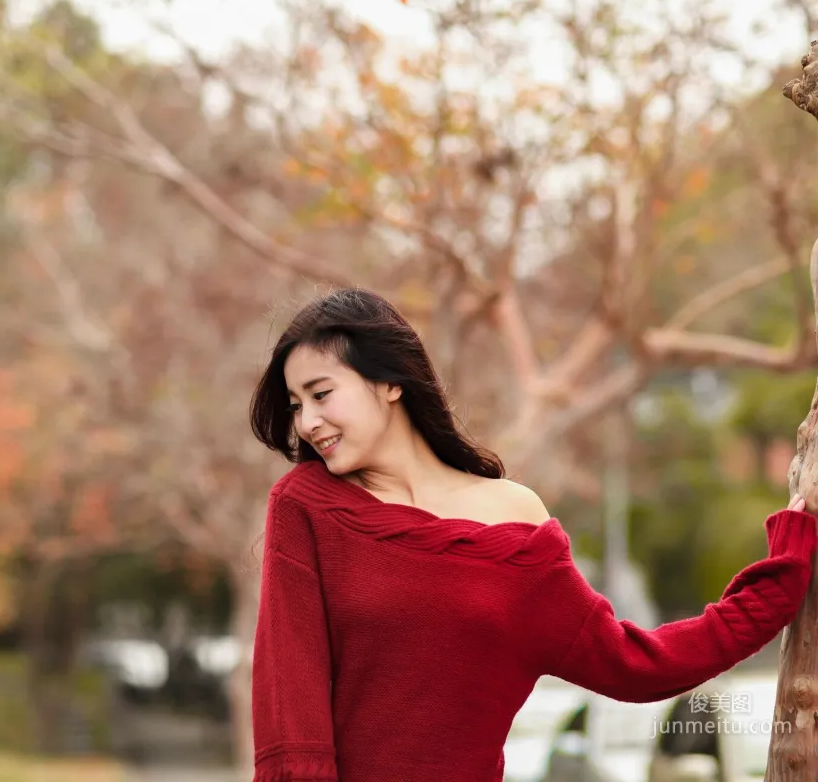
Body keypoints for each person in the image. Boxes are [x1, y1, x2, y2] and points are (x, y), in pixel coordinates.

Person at [245, 287, 816, 782]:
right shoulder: (306, 508)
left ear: (390, 382)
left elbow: (638, 664)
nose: (307, 423)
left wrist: (780, 580)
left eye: (321, 395)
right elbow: (290, 725)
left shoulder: (516, 522)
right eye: (296, 406)